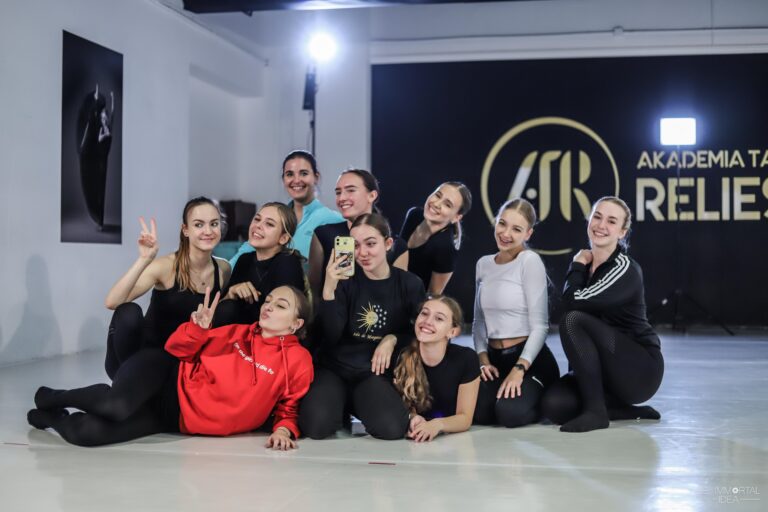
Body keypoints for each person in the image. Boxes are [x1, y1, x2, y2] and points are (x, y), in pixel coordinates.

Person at [28, 286, 313, 449]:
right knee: (115, 406)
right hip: (166, 375)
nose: (268, 306)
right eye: (268, 300)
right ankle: (53, 397)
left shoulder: (298, 361)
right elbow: (176, 349)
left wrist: (283, 431)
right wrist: (197, 329)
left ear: (296, 323)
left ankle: (50, 418)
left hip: (175, 418)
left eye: (281, 305)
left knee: (88, 434)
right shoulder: (236, 332)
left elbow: (289, 408)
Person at [541, 196, 664, 433]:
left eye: (611, 221)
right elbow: (575, 303)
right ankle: (620, 410)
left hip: (639, 369)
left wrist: (577, 264)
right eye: (597, 217)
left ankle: (596, 413)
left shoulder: (624, 268)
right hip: (607, 371)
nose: (601, 225)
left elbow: (572, 303)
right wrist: (581, 266)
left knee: (573, 319)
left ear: (622, 232)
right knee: (554, 406)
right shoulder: (588, 267)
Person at [298, 213, 425, 440]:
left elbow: (419, 333)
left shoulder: (410, 284)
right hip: (334, 368)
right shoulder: (343, 279)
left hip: (371, 373)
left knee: (391, 429)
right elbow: (331, 336)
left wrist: (392, 338)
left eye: (370, 244)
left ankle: (354, 403)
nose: (362, 253)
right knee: (316, 427)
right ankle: (338, 404)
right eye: (355, 245)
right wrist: (329, 289)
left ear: (388, 244)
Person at [103, 197, 230, 379]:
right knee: (128, 312)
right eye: (198, 224)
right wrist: (144, 260)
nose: (208, 231)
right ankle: (126, 382)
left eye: (214, 224)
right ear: (185, 230)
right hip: (138, 356)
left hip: (175, 361)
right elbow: (112, 302)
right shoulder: (166, 266)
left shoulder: (223, 269)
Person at [472, 199, 560, 428]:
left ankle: (546, 396)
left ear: (528, 234)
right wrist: (483, 360)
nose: (506, 234)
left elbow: (541, 326)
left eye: (517, 229)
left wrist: (519, 369)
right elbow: (479, 321)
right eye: (502, 224)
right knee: (479, 412)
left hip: (530, 361)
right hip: (495, 360)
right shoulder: (483, 264)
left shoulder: (529, 261)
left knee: (509, 414)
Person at [229, 150, 343, 267]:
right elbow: (240, 257)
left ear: (316, 177)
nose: (296, 180)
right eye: (289, 174)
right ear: (283, 179)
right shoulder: (274, 216)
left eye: (304, 173)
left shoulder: (333, 219)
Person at [393, 296, 480, 442]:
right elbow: (407, 406)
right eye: (424, 313)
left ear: (452, 332)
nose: (427, 321)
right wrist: (413, 418)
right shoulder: (403, 356)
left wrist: (436, 425)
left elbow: (465, 418)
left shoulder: (466, 358)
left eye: (439, 318)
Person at [215, 202, 305, 326]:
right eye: (257, 219)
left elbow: (284, 319)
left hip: (269, 333)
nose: (258, 226)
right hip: (240, 333)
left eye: (269, 224)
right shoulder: (244, 260)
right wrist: (231, 292)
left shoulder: (288, 263)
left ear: (283, 238)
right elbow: (220, 310)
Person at [307, 169, 382, 298]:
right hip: (331, 308)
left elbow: (399, 296)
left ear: (372, 195)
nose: (341, 198)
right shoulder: (323, 234)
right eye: (338, 192)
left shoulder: (394, 244)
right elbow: (314, 289)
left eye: (351, 190)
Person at [393, 182, 472, 295]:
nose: (437, 204)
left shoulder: (444, 247)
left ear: (456, 217)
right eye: (438, 195)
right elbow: (397, 259)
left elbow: (433, 294)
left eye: (447, 205)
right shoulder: (414, 215)